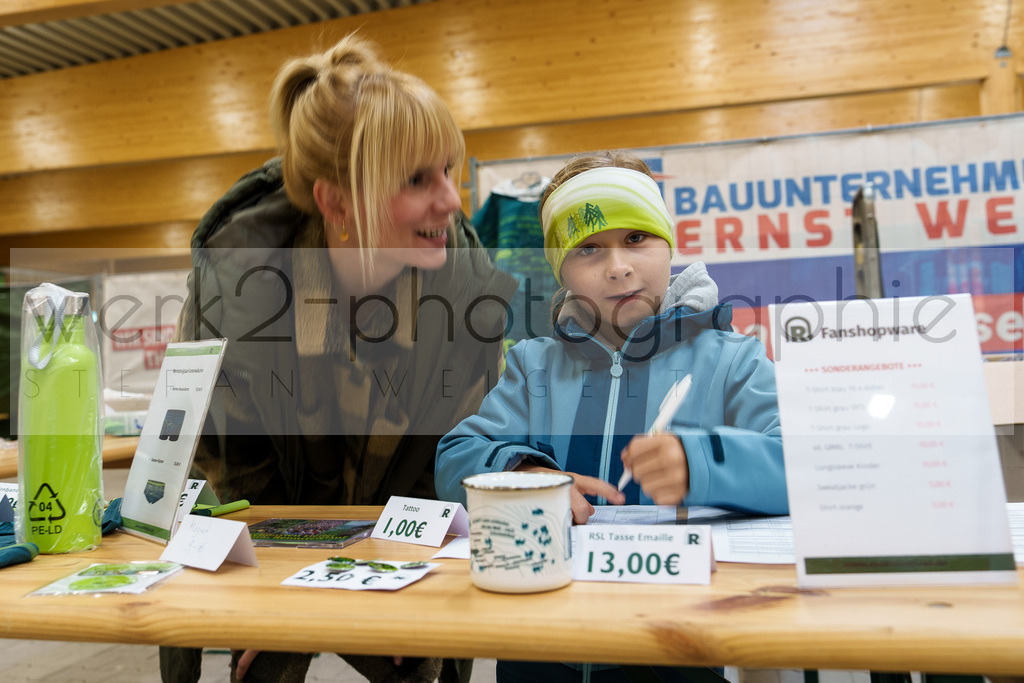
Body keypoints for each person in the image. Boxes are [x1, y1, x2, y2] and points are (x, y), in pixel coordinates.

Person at [163, 34, 516, 683]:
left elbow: (453, 453)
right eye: (417, 180)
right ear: (336, 202)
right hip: (266, 524)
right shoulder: (240, 284)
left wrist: (412, 582)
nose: (452, 201)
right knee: (263, 660)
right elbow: (230, 464)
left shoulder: (465, 287)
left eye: (449, 170)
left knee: (414, 658)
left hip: (398, 525)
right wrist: (278, 603)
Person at [435, 150, 788, 682]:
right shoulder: (534, 365)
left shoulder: (732, 359)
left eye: (637, 239)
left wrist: (705, 464)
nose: (618, 266)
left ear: (668, 244)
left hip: (679, 644)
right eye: (588, 248)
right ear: (562, 271)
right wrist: (521, 476)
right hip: (538, 646)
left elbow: (805, 463)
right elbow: (455, 457)